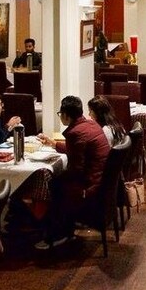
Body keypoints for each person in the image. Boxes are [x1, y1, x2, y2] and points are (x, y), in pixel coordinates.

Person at [35, 95, 110, 249]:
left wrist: (57, 175)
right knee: (54, 181)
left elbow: (76, 170)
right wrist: (54, 144)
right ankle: (60, 229)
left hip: (89, 186)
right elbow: (77, 150)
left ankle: (58, 234)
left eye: (60, 114)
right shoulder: (91, 125)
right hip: (101, 180)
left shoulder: (75, 132)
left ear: (66, 115)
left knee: (50, 185)